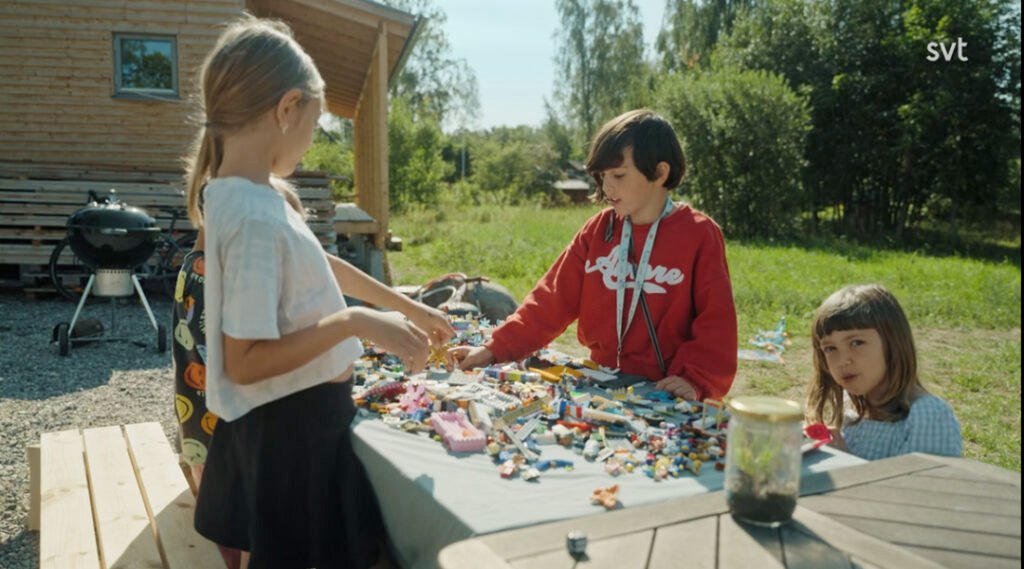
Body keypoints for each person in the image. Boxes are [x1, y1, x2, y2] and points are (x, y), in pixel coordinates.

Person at [181, 16, 453, 569]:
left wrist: (406, 304)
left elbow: (320, 264)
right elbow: (246, 360)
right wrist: (357, 323)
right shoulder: (256, 214)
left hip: (294, 424)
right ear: (286, 109)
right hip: (294, 435)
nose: (311, 141)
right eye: (315, 122)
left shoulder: (246, 194)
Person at [450, 109, 737, 401]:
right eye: (602, 176)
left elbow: (716, 324)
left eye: (619, 175)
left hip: (667, 390)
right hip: (602, 380)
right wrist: (493, 349)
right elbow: (550, 300)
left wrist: (695, 379)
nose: (607, 186)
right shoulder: (599, 229)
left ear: (660, 173)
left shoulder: (699, 234)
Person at [806, 284, 962, 460]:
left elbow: (921, 486)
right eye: (830, 348)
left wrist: (844, 462)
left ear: (893, 344)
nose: (842, 361)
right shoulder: (851, 407)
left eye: (856, 343)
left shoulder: (928, 416)